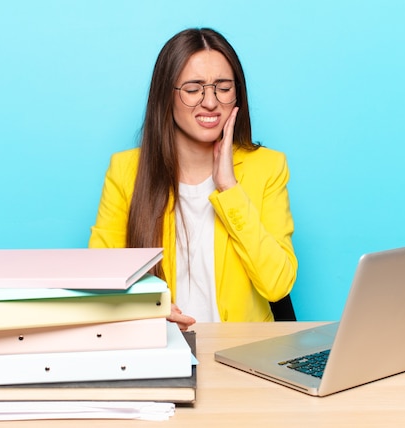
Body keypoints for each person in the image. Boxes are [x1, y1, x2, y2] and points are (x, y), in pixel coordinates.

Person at [89, 28, 297, 330]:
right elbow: (98, 279)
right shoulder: (125, 170)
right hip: (158, 349)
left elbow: (278, 284)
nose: (210, 102)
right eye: (193, 89)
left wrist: (229, 188)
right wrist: (146, 306)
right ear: (166, 95)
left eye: (222, 88)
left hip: (240, 354)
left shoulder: (267, 167)